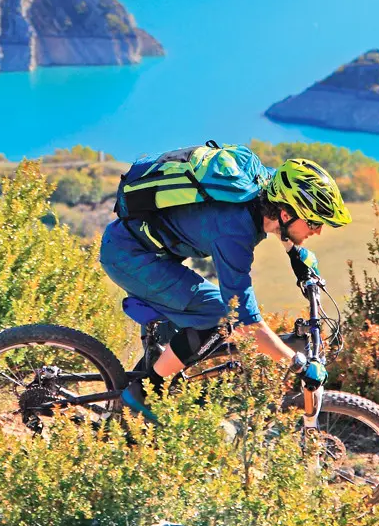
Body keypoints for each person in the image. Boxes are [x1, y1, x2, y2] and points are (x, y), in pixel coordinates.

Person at [99, 155, 351, 419]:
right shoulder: (234, 232)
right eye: (313, 223)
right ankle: (143, 394)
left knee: (183, 333)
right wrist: (297, 364)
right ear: (286, 214)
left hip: (145, 246)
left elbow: (280, 223)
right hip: (130, 257)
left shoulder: (266, 187)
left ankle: (134, 398)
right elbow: (246, 324)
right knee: (219, 317)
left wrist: (295, 254)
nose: (318, 231)